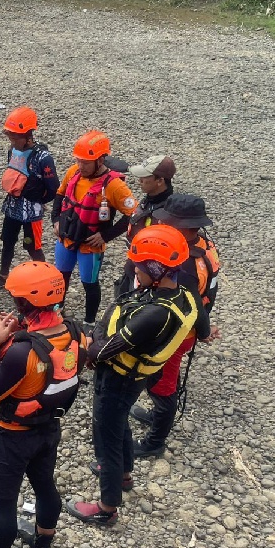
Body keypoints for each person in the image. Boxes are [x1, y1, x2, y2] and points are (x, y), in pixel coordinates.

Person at [67, 225, 208, 525]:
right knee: (119, 423)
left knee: (106, 436)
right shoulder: (186, 294)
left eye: (139, 267)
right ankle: (125, 474)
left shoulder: (157, 313)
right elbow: (204, 328)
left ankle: (107, 508)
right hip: (135, 378)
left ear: (157, 268)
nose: (134, 272)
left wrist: (87, 342)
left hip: (118, 378)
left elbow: (103, 351)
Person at [0, 262, 87, 548]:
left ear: (23, 303)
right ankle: (43, 542)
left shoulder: (21, 353)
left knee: (4, 502)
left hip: (12, 436)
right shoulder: (75, 333)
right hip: (47, 429)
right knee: (45, 486)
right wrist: (18, 331)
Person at [130, 194, 220, 456]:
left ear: (184, 227)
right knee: (167, 377)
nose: (164, 226)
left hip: (178, 332)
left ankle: (155, 442)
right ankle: (157, 414)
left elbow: (193, 301)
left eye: (169, 223)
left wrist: (203, 332)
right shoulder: (203, 244)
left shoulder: (186, 264)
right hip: (189, 325)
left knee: (162, 384)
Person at [51, 131, 137, 327]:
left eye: (86, 162)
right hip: (66, 238)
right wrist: (55, 219)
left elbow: (133, 213)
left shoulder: (114, 186)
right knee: (60, 278)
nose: (81, 166)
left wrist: (105, 236)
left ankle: (89, 323)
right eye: (79, 161)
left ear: (100, 160)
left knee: (89, 284)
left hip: (90, 246)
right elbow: (59, 194)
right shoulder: (73, 172)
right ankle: (57, 313)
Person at [0, 107, 59, 291]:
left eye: (15, 137)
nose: (11, 140)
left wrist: (39, 201)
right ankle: (3, 275)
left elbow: (53, 188)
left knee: (32, 247)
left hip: (31, 212)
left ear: (28, 135)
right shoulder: (12, 150)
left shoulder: (43, 157)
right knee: (8, 241)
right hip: (12, 207)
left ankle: (45, 279)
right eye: (10, 136)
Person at [116, 155, 176, 297]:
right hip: (135, 268)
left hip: (149, 279)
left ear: (160, 181)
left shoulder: (169, 212)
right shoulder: (149, 200)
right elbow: (132, 219)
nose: (139, 181)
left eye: (145, 177)